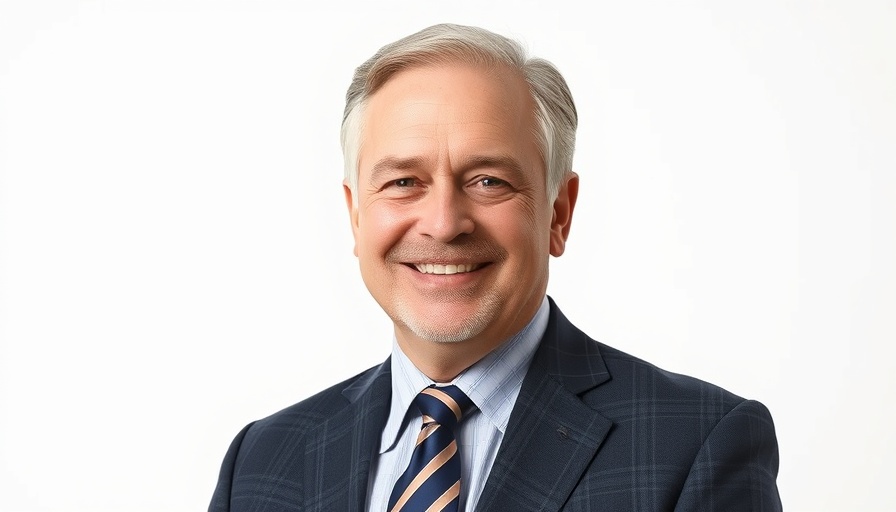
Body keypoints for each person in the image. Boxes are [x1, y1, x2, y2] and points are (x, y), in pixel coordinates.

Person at [209, 23, 782, 511]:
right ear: (356, 214)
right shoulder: (262, 462)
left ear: (558, 212)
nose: (443, 222)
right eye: (403, 182)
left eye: (488, 181)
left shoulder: (696, 445)